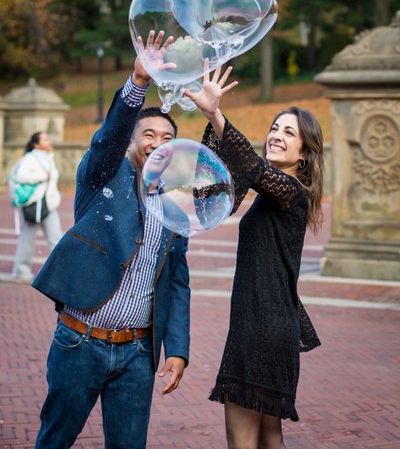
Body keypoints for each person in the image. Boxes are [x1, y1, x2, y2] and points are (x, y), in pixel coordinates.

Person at [32, 31, 190, 449]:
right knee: (55, 440)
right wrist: (138, 83)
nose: (158, 144)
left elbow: (177, 281)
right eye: (149, 135)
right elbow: (107, 138)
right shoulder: (102, 174)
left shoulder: (175, 207)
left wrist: (177, 348)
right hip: (79, 341)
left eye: (168, 139)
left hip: (138, 353)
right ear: (133, 143)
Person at [183, 64, 324, 449]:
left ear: (305, 154)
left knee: (243, 441)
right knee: (267, 436)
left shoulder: (291, 190)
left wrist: (215, 113)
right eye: (275, 127)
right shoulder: (271, 192)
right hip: (269, 324)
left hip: (261, 327)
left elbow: (250, 165)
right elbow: (211, 194)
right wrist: (212, 126)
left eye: (288, 133)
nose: (276, 135)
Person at [11, 131, 63, 283]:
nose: (49, 141)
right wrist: (42, 177)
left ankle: (61, 272)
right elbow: (20, 176)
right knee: (27, 239)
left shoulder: (49, 158)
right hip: (34, 204)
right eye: (45, 139)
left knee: (56, 240)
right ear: (36, 144)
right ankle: (21, 271)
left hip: (48, 204)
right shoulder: (30, 158)